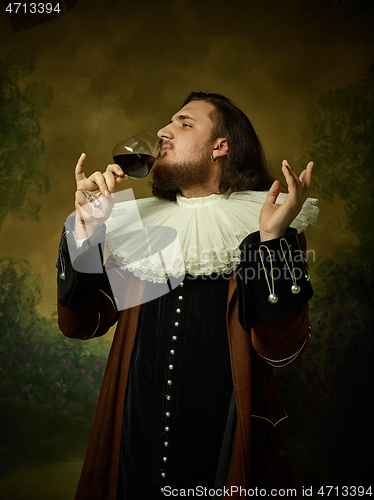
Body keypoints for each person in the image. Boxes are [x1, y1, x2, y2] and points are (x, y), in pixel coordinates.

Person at [57, 92, 318, 499]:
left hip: (223, 448)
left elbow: (281, 350)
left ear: (221, 146)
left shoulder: (268, 222)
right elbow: (81, 324)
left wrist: (269, 242)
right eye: (168, 122)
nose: (163, 131)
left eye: (184, 123)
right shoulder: (136, 226)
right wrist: (87, 231)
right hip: (133, 444)